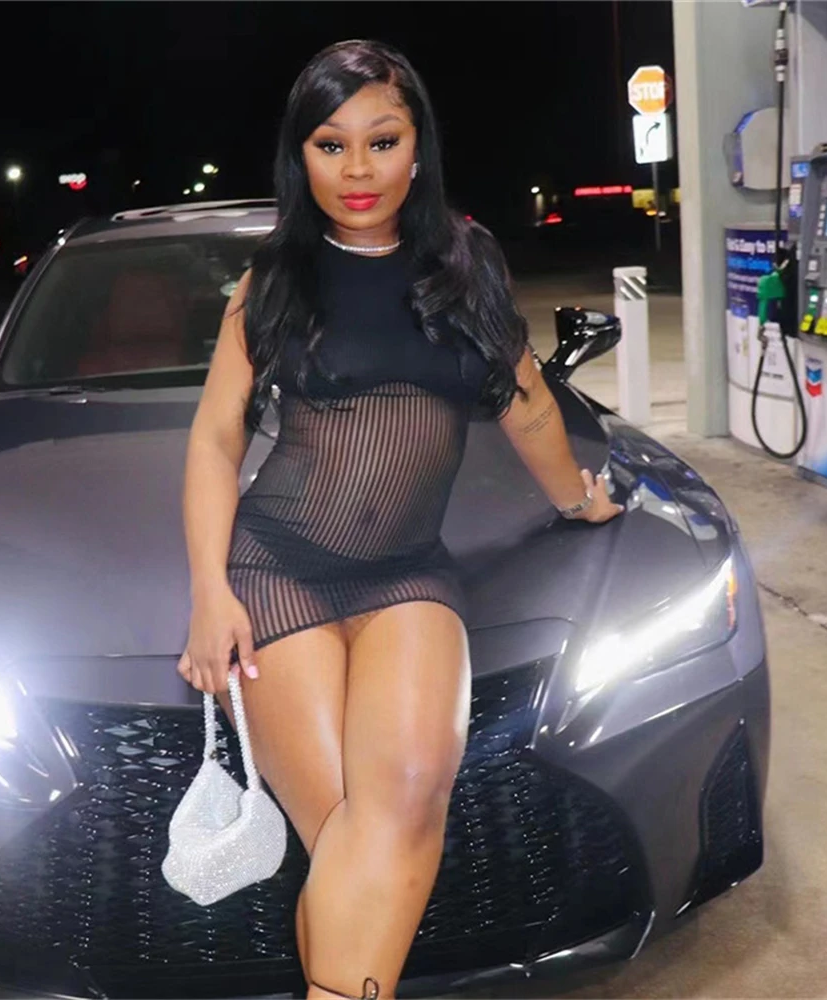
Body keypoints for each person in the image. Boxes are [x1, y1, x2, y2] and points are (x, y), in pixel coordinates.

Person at [177, 38, 624, 1000]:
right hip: (278, 571)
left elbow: (527, 403)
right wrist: (210, 592)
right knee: (350, 833)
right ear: (301, 157)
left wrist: (577, 500)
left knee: (405, 803)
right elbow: (216, 439)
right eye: (330, 145)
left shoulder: (468, 263)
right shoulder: (274, 279)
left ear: (418, 148)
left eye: (381, 141)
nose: (358, 169)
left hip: (408, 571)